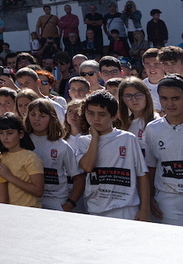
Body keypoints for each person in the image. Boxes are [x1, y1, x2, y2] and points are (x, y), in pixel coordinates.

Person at [78, 90, 150, 220]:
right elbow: (87, 167)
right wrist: (95, 138)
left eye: (102, 114)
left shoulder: (128, 139)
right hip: (96, 209)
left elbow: (142, 174)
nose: (95, 119)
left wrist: (145, 209)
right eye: (91, 113)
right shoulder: (83, 142)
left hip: (125, 209)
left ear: (114, 116)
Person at [25, 99, 84, 211]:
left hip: (55, 202)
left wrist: (70, 204)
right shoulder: (22, 141)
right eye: (33, 114)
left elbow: (79, 178)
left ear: (51, 118)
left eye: (42, 116)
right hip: (28, 201)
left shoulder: (62, 146)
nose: (36, 119)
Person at [145, 75, 183, 225]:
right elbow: (151, 166)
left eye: (176, 98)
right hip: (167, 200)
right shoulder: (153, 128)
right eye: (164, 98)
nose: (170, 104)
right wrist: (149, 199)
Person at [0, 112, 44, 208]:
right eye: (1, 133)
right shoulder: (0, 157)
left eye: (10, 133)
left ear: (20, 134)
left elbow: (38, 191)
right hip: (7, 211)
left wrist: (9, 176)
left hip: (28, 211)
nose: (5, 137)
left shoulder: (30, 158)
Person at [117, 77, 158, 153]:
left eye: (138, 95)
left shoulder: (156, 121)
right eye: (128, 96)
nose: (134, 99)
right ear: (122, 99)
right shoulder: (121, 123)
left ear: (147, 95)